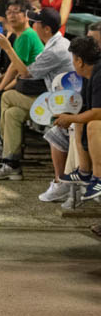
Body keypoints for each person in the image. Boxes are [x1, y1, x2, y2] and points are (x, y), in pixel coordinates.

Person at [0, 7, 72, 180]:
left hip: (63, 104)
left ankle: (2, 146)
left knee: (7, 96)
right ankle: (11, 163)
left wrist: (8, 48)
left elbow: (25, 73)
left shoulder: (56, 50)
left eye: (36, 23)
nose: (32, 25)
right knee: (13, 113)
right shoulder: (55, 43)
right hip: (52, 98)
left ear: (46, 29)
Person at [55, 36, 101, 201]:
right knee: (79, 121)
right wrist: (69, 116)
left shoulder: (99, 75)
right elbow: (84, 108)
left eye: (73, 60)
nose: (73, 64)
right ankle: (84, 172)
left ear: (79, 61)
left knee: (92, 124)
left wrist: (71, 119)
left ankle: (98, 178)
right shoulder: (90, 75)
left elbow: (98, 112)